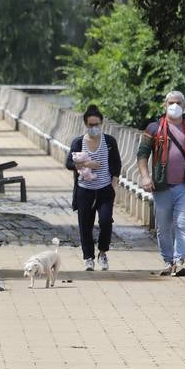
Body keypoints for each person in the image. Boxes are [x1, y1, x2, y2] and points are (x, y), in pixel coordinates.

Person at [136, 90, 185, 277]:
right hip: (161, 187)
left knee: (183, 224)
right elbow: (142, 154)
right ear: (165, 105)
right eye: (171, 102)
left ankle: (179, 261)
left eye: (178, 102)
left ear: (184, 106)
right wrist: (145, 177)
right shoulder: (154, 129)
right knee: (163, 227)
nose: (174, 106)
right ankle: (168, 261)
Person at [65, 105, 121, 272]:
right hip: (84, 190)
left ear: (101, 123)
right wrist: (86, 164)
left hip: (104, 189)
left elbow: (116, 163)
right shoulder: (78, 142)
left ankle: (102, 252)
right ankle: (88, 257)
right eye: (90, 125)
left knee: (105, 221)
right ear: (85, 124)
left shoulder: (109, 141)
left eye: (96, 124)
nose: (94, 128)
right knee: (85, 225)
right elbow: (69, 163)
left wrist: (115, 179)